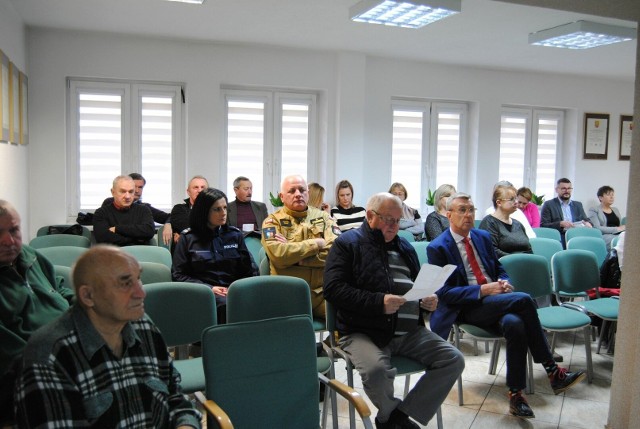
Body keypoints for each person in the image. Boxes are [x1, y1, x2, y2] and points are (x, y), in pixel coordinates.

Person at [427, 193, 585, 419]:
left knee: (515, 323)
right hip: (467, 307)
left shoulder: (481, 237)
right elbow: (444, 293)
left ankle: (516, 395)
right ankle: (552, 370)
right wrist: (483, 290)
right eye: (462, 210)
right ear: (449, 214)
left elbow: (498, 268)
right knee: (524, 299)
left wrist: (504, 282)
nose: (468, 215)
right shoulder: (438, 247)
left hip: (495, 302)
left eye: (471, 210)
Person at [14, 245, 201, 428]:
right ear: (88, 296)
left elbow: (175, 396)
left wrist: (186, 424)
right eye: (125, 283)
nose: (141, 293)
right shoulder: (48, 354)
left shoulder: (144, 327)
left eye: (138, 279)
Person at [324, 192, 464, 429]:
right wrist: (378, 302)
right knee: (377, 370)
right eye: (388, 220)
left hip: (409, 331)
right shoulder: (347, 244)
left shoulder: (405, 246)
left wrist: (426, 301)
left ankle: (396, 416)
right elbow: (334, 290)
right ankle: (391, 416)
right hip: (363, 331)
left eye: (398, 221)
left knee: (453, 359)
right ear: (370, 216)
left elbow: (416, 286)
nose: (394, 226)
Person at [0, 200, 75, 424]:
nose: (9, 240)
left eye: (14, 230)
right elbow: (11, 353)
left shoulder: (30, 255)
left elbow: (58, 288)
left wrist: (89, 304)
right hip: (29, 372)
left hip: (68, 347)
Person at [172, 188, 258, 324]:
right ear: (204, 212)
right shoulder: (188, 238)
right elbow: (179, 275)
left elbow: (249, 270)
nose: (223, 213)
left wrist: (237, 289)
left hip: (233, 291)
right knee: (227, 306)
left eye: (225, 208)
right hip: (202, 293)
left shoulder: (235, 235)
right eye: (217, 209)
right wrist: (209, 289)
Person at [261, 175, 338, 318]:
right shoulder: (272, 222)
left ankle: (330, 342)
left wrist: (299, 259)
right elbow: (279, 255)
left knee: (349, 318)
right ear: (282, 196)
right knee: (292, 334)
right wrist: (315, 243)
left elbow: (336, 253)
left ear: (308, 193)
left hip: (322, 293)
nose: (298, 194)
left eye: (302, 190)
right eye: (292, 191)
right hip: (288, 296)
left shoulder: (325, 217)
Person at [93, 175, 156, 246]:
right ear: (113, 192)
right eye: (123, 191)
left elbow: (149, 231)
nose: (127, 196)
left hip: (139, 254)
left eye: (131, 192)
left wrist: (118, 229)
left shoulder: (143, 210)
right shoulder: (101, 213)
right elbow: (103, 238)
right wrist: (136, 239)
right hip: (113, 255)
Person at [479, 184, 532, 259]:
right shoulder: (489, 223)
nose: (516, 202)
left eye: (516, 199)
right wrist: (518, 260)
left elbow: (529, 249)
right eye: (512, 199)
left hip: (525, 265)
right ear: (499, 203)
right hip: (504, 267)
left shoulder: (518, 224)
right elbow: (492, 251)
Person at [102, 173, 170, 225]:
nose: (137, 191)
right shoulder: (110, 202)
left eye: (140, 187)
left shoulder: (144, 208)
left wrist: (168, 225)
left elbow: (168, 217)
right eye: (134, 186)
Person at [541, 178, 592, 247]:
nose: (567, 191)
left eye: (569, 188)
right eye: (563, 189)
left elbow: (586, 219)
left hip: (576, 234)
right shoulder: (549, 204)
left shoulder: (578, 205)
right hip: (560, 234)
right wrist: (560, 224)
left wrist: (588, 223)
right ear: (557, 190)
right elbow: (543, 225)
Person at [168, 175, 209, 247]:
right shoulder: (179, 209)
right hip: (186, 253)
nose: (199, 190)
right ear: (188, 192)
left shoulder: (215, 210)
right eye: (196, 187)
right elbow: (185, 227)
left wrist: (185, 236)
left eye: (203, 187)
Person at [588, 185, 625, 250]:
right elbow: (597, 228)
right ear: (600, 197)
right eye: (608, 195)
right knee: (623, 240)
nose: (611, 197)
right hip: (604, 236)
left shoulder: (615, 210)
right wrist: (617, 229)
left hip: (617, 234)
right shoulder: (594, 209)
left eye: (612, 195)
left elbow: (619, 226)